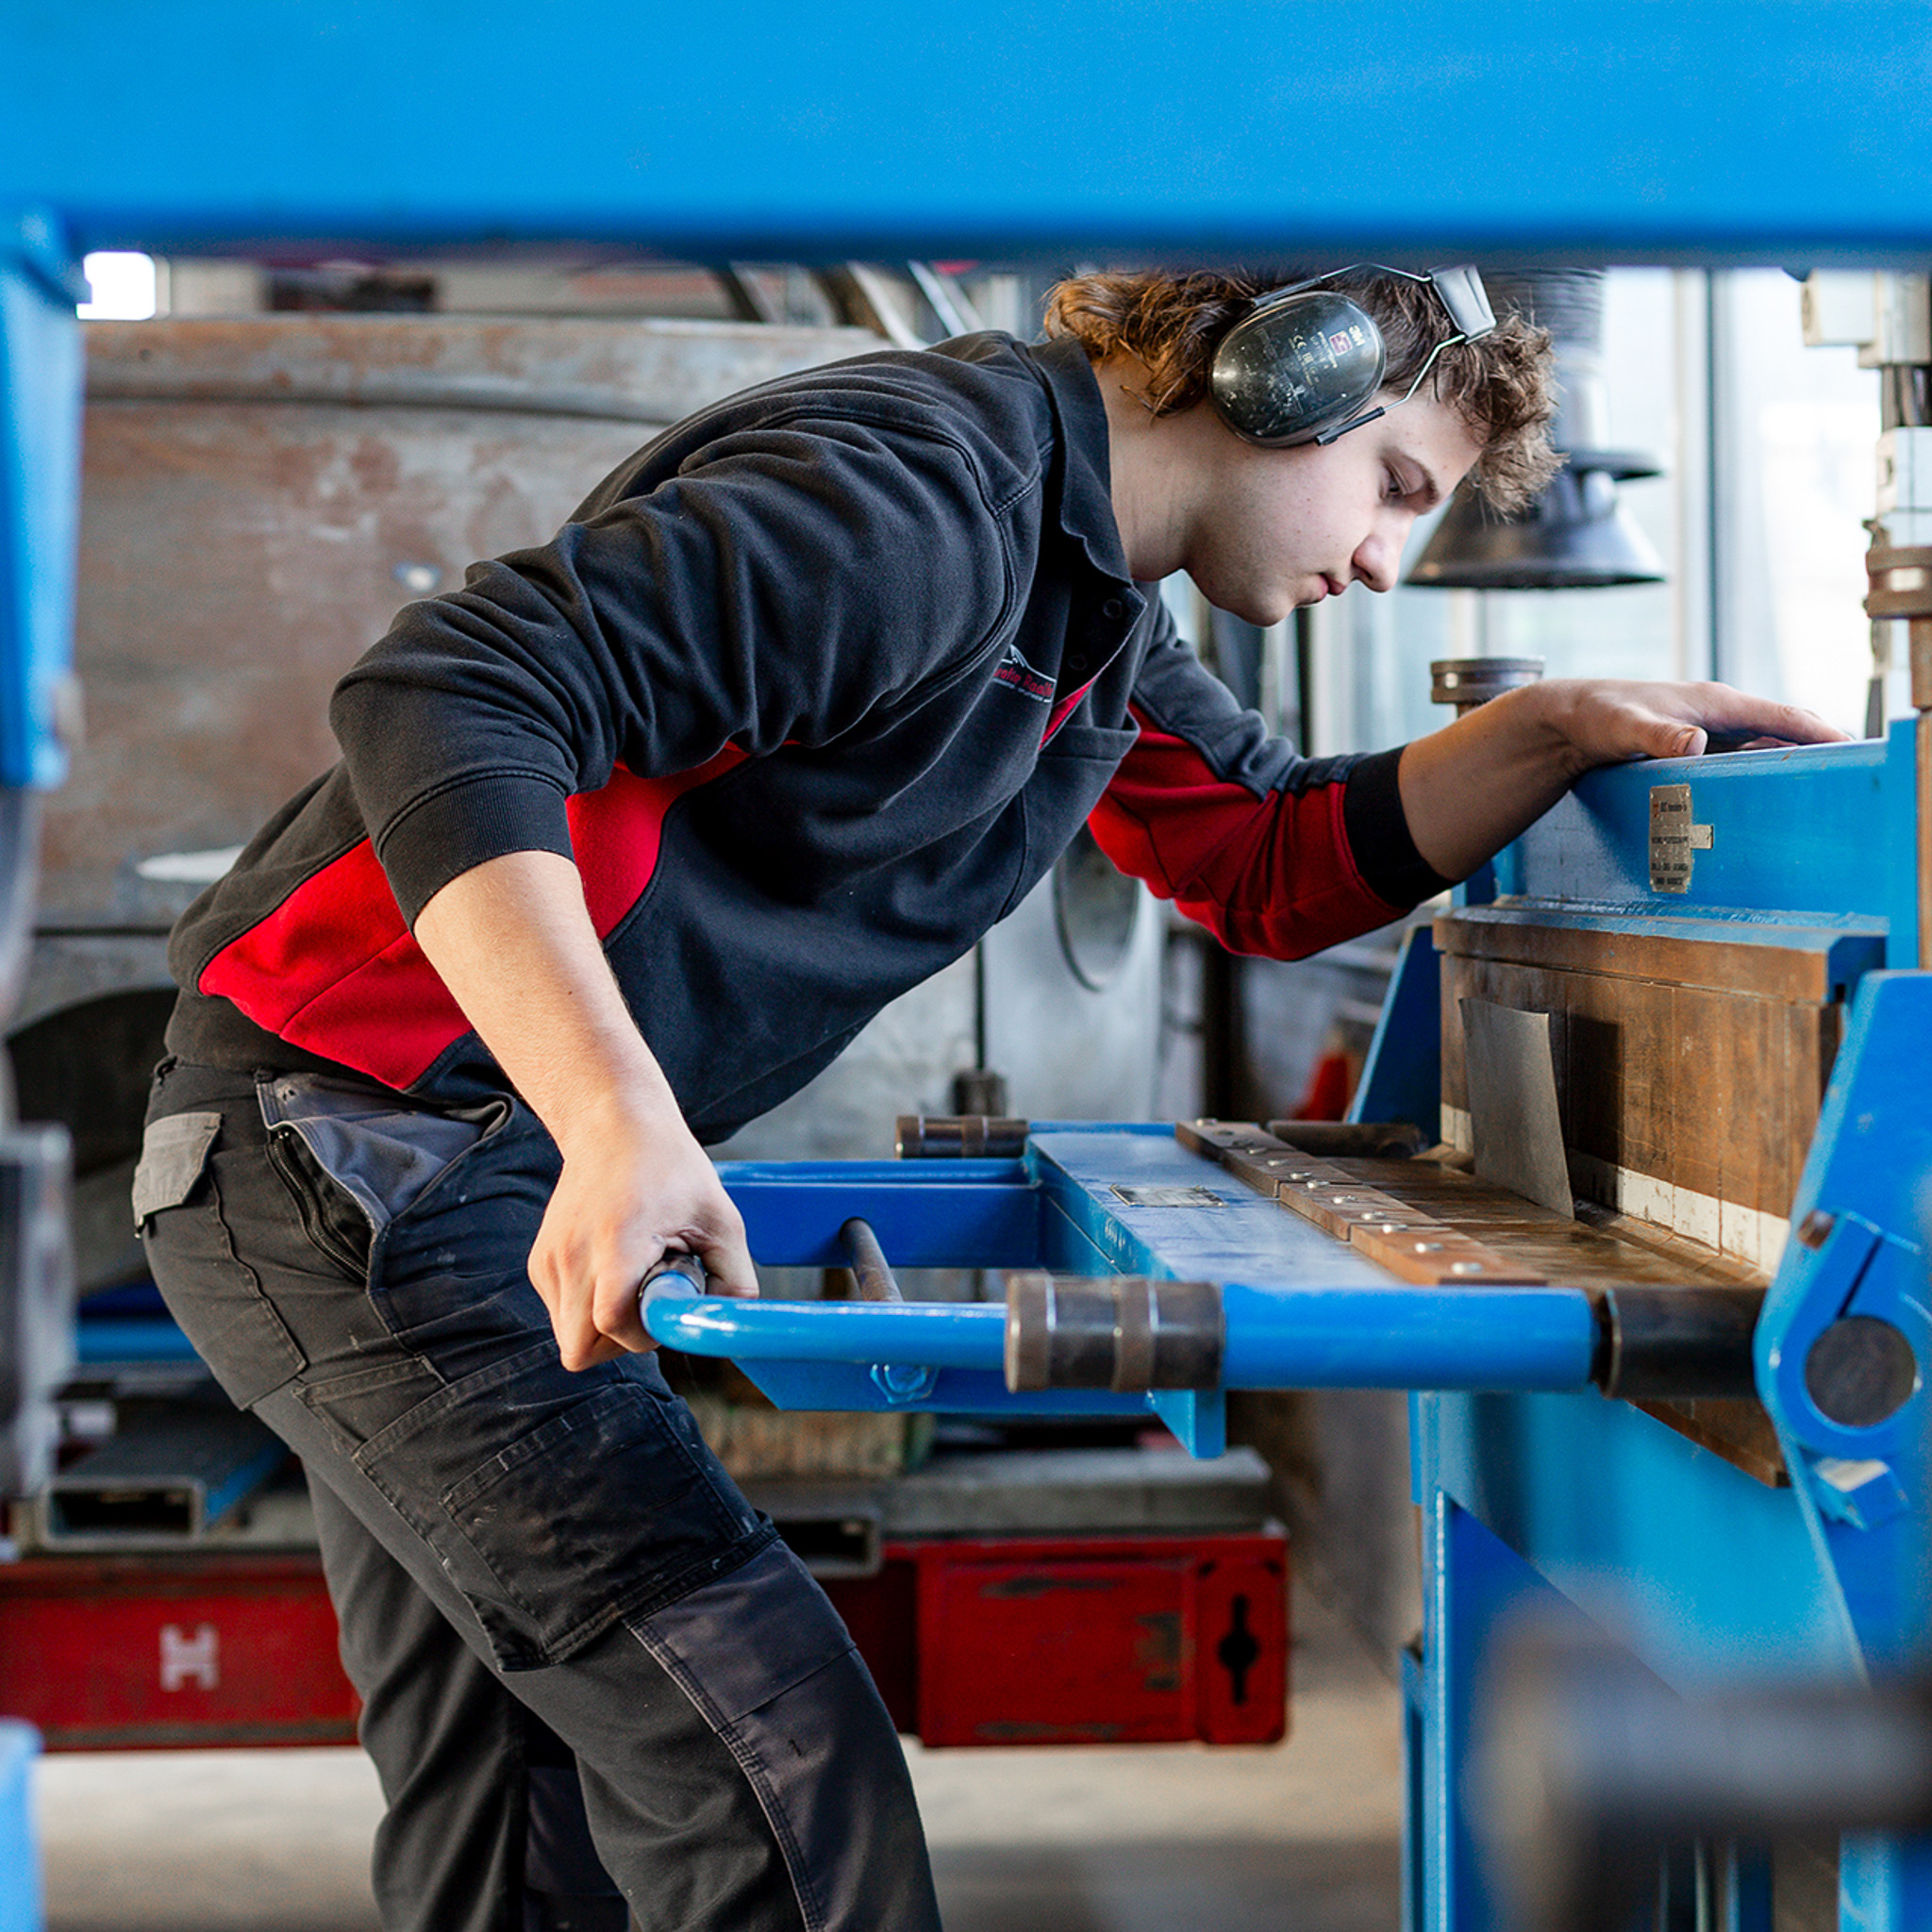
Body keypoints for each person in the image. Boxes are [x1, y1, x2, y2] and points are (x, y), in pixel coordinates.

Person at [133, 264, 1840, 1932]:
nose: (1384, 562)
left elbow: (1267, 859)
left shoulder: (1080, 603)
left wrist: (1553, 732)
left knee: (521, 1811)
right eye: (1393, 485)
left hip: (411, 1162)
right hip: (351, 1149)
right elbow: (450, 689)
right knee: (771, 1770)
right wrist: (616, 1118)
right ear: (1286, 372)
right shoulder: (925, 500)